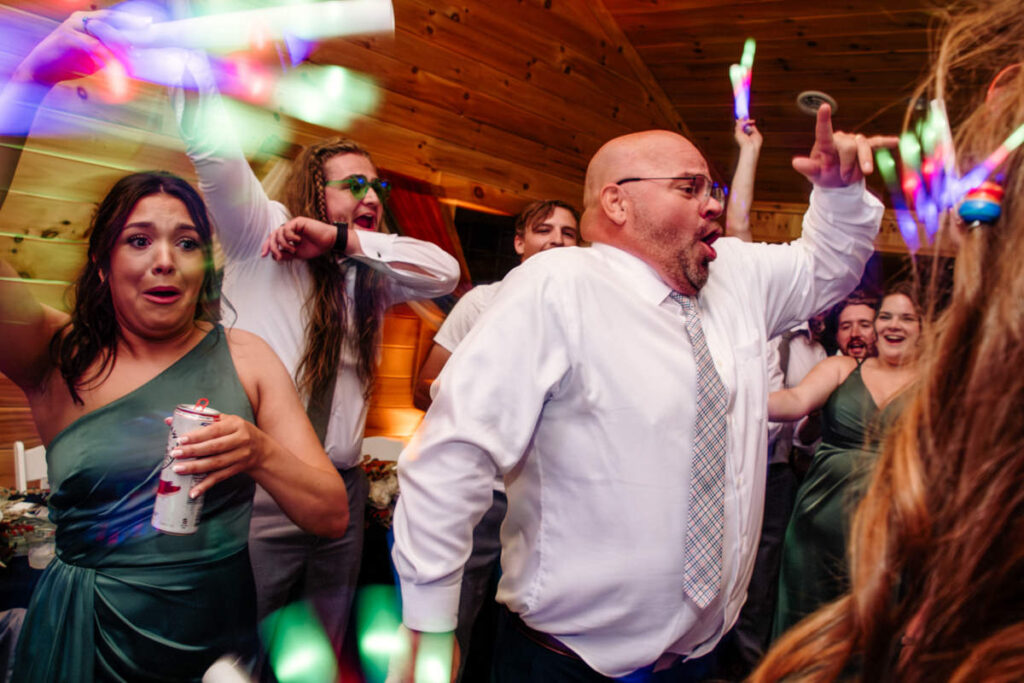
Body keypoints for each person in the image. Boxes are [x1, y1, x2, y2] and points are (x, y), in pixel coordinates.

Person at [391, 103, 894, 680]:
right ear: (617, 202)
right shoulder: (560, 285)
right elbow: (453, 455)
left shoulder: (738, 276)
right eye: (690, 188)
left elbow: (829, 266)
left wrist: (839, 194)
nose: (713, 203)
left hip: (701, 659)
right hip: (565, 663)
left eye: (714, 188)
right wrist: (428, 625)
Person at [0, 15, 348, 681]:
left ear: (206, 267)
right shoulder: (56, 354)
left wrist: (261, 450)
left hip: (213, 647)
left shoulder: (245, 357)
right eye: (139, 240)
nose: (166, 260)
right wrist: (28, 83)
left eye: (187, 241)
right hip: (85, 641)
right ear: (103, 264)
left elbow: (331, 514)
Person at [160, 27, 462, 656]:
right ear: (312, 193)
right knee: (244, 641)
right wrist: (190, 55)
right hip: (258, 483)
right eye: (353, 185)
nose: (370, 195)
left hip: (343, 490)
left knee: (318, 646)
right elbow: (214, 151)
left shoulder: (371, 275)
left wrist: (345, 243)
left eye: (375, 186)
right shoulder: (260, 234)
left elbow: (446, 271)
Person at [753, 2, 1024, 679]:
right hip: (822, 526)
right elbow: (785, 403)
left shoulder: (958, 379)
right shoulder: (847, 366)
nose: (960, 220)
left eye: (978, 206)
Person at [412, 199, 580, 680]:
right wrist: (489, 407)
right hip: (483, 500)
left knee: (522, 635)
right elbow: (424, 388)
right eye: (544, 230)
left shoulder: (585, 315)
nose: (556, 241)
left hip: (551, 510)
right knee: (454, 624)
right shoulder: (482, 302)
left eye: (569, 234)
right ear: (519, 242)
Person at [768, 285, 921, 639]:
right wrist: (733, 394)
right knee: (807, 633)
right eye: (886, 316)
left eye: (907, 318)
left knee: (873, 631)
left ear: (921, 329)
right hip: (818, 525)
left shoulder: (933, 381)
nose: (894, 325)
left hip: (891, 531)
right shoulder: (842, 368)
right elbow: (794, 400)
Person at [833, 291, 879, 359]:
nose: (854, 334)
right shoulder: (824, 367)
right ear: (836, 336)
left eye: (864, 325)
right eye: (846, 327)